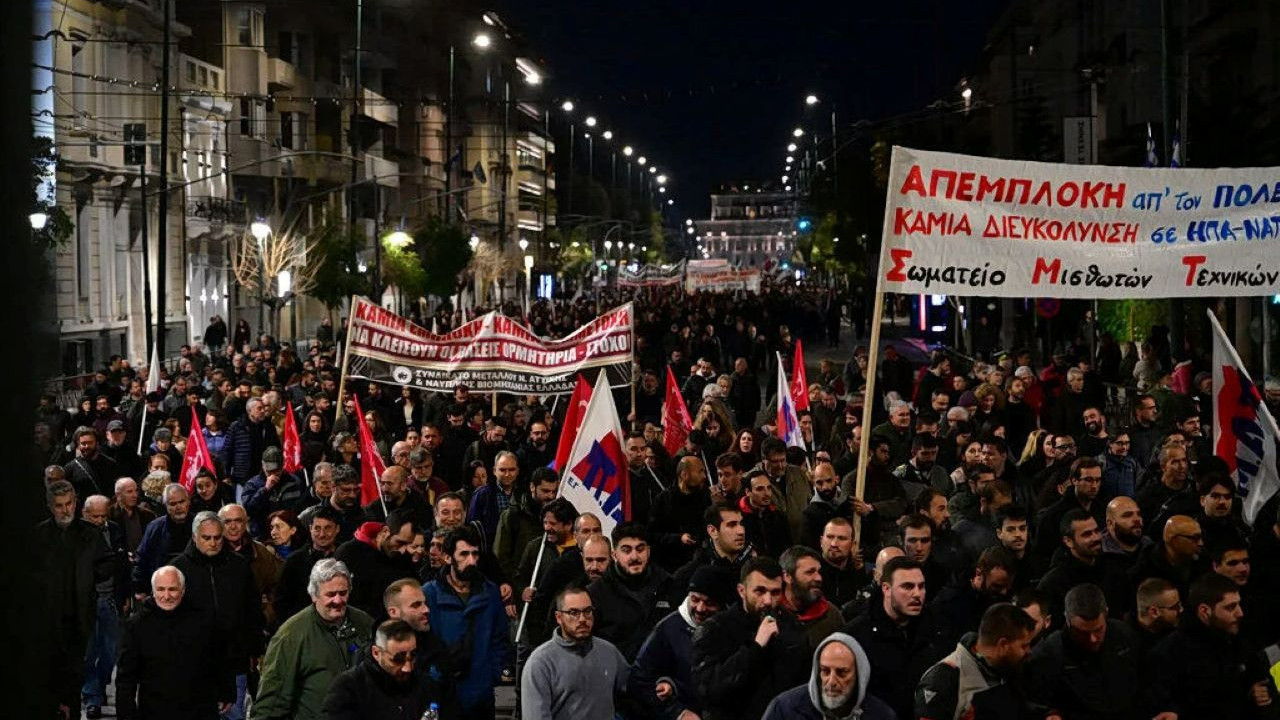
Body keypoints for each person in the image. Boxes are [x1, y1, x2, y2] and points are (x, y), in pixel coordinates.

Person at [691, 556, 812, 720]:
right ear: (742, 591)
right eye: (760, 591)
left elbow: (804, 687)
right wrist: (755, 647)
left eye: (775, 592)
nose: (768, 601)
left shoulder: (793, 628)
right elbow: (708, 690)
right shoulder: (716, 629)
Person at [171, 511, 265, 720]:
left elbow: (252, 609)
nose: (213, 543)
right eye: (207, 538)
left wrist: (255, 648)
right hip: (193, 661)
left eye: (217, 537)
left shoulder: (239, 566)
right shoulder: (178, 569)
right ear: (195, 537)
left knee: (234, 715)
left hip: (234, 658)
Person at [253, 559, 374, 720]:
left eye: (343, 593)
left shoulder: (365, 624)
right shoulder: (291, 635)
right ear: (314, 595)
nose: (338, 601)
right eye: (330, 594)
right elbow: (272, 702)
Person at [1146, 572, 1274, 719]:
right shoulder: (1168, 654)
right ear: (1205, 611)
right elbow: (1167, 709)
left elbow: (1259, 679)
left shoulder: (1239, 638)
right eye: (1230, 607)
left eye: (1239, 604)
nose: (1240, 613)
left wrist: (1256, 693)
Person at [115, 566, 235, 720]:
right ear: (153, 591)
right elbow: (126, 677)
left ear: (183, 591)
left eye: (172, 589)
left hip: (199, 709)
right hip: (155, 710)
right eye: (160, 589)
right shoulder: (137, 625)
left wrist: (226, 690)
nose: (166, 596)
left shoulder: (203, 619)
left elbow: (220, 656)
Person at [842, 556, 951, 720]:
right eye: (907, 587)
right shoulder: (856, 635)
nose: (917, 594)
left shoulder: (937, 629)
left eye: (921, 587)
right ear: (886, 588)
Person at [38, 480, 112, 719]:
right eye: (59, 505)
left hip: (80, 620)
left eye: (69, 504)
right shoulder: (38, 536)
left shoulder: (91, 534)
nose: (66, 509)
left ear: (75, 502)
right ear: (50, 506)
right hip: (45, 623)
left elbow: (107, 564)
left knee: (73, 679)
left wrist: (90, 579)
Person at [423, 525, 512, 717]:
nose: (471, 560)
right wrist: (434, 676)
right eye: (464, 554)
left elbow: (500, 640)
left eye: (475, 554)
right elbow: (423, 643)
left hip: (481, 696)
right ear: (448, 558)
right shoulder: (428, 594)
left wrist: (492, 675)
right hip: (440, 695)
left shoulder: (491, 592)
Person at [1024, 583, 1142, 718]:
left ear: (1106, 613)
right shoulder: (1049, 654)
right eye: (1082, 633)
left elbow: (1144, 682)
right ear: (1067, 620)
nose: (1092, 639)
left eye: (1098, 630)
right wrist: (1050, 714)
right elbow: (1033, 701)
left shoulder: (1125, 636)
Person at [630, 566, 734, 720]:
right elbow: (639, 679)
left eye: (709, 603)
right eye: (695, 599)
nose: (700, 608)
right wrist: (677, 712)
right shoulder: (667, 629)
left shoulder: (733, 629)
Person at [521, 587, 630, 720]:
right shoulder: (540, 663)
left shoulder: (609, 652)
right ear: (559, 617)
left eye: (587, 611)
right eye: (574, 612)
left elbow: (636, 689)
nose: (583, 619)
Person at [915, 603, 1037, 720]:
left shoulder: (1007, 668)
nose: (1029, 651)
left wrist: (1047, 714)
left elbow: (1020, 706)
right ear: (1003, 645)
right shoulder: (943, 680)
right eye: (1024, 646)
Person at [320, 619, 459, 720]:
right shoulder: (348, 688)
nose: (407, 668)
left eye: (413, 656)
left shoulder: (427, 686)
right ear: (376, 653)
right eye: (397, 659)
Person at [588, 522, 676, 661]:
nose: (634, 557)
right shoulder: (595, 593)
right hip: (614, 675)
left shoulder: (668, 585)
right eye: (626, 550)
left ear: (649, 551)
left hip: (661, 676)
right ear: (614, 554)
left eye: (640, 549)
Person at [762, 633, 895, 720]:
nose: (831, 681)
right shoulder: (784, 710)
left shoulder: (882, 715)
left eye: (841, 672)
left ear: (859, 675)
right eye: (825, 671)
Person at [333, 510, 418, 622]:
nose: (403, 550)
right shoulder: (348, 553)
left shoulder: (403, 557)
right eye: (400, 543)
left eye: (408, 544)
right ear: (385, 531)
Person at [273, 505, 341, 623]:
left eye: (327, 528)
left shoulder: (346, 556)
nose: (322, 534)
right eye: (317, 528)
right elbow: (281, 601)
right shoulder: (294, 561)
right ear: (310, 528)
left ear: (337, 529)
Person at [650, 456, 714, 572]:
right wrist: (678, 538)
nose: (704, 476)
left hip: (700, 561)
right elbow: (653, 535)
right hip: (671, 564)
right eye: (700, 472)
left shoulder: (705, 496)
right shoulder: (663, 500)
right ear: (684, 475)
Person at [780, 545, 844, 646]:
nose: (819, 578)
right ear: (787, 577)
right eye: (810, 572)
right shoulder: (773, 615)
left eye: (818, 572)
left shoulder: (832, 615)